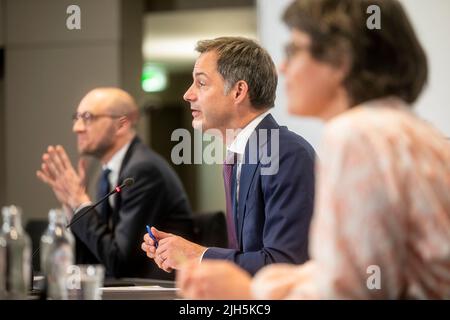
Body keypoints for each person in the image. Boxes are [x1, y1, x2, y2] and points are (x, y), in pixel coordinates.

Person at [175, 0, 450, 299]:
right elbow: (343, 272)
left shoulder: (357, 134)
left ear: (340, 61)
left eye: (294, 50)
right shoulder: (407, 131)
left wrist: (249, 291)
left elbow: (352, 292)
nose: (283, 67)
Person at [141, 37, 316, 275]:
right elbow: (247, 256)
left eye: (201, 83)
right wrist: (185, 254)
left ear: (238, 91)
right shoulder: (236, 157)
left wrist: (198, 256)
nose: (187, 94)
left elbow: (283, 264)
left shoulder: (288, 154)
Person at [37, 87, 193, 280]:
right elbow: (96, 258)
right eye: (76, 117)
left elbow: (120, 264)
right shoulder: (108, 175)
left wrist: (80, 201)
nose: (77, 127)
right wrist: (72, 206)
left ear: (121, 124)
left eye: (87, 117)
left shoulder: (142, 171)